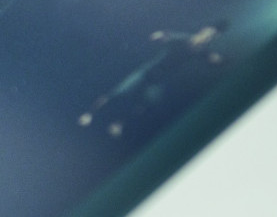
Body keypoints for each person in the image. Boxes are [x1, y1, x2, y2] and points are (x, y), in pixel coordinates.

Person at [77, 21, 228, 138]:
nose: (207, 39)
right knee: (116, 94)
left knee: (143, 105)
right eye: (207, 35)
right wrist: (159, 35)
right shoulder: (183, 38)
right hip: (146, 72)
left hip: (158, 81)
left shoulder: (201, 51)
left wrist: (218, 60)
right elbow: (168, 35)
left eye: (211, 38)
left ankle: (118, 124)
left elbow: (211, 58)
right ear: (202, 31)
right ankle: (90, 114)